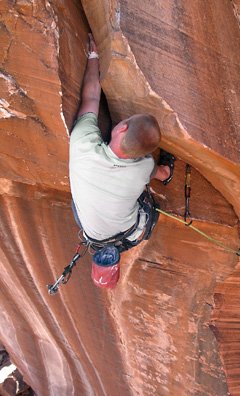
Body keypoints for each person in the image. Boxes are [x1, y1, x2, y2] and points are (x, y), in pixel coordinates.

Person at [69, 33, 174, 289]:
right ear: (141, 155)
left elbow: (91, 98)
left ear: (122, 128)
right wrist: (163, 171)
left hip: (98, 229)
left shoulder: (82, 142)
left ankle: (106, 253)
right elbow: (154, 172)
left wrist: (93, 55)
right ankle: (169, 173)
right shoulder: (143, 168)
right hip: (112, 230)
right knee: (147, 199)